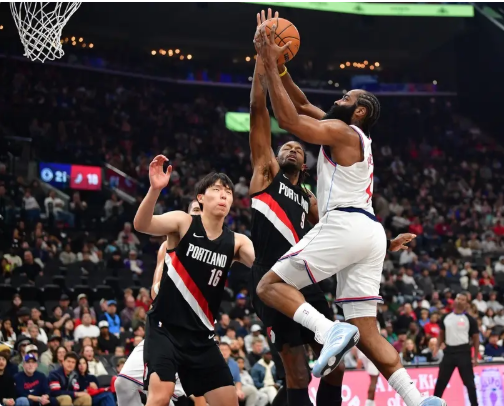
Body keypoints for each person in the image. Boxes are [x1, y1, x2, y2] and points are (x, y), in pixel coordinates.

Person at [253, 18, 431, 406]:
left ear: (360, 111)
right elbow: (302, 104)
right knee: (366, 331)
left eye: (347, 97)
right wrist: (279, 68)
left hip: (346, 224)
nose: (339, 98)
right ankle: (418, 400)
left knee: (267, 287)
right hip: (369, 233)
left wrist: (265, 59)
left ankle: (326, 330)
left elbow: (289, 119)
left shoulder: (344, 133)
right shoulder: (351, 136)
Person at [248, 10, 343, 405]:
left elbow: (334, 231)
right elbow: (259, 112)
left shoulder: (309, 197)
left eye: (297, 147)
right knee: (297, 372)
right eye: (285, 145)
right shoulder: (265, 172)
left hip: (302, 278)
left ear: (304, 165)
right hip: (270, 281)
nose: (290, 146)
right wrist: (262, 58)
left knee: (336, 363)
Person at [134, 166, 255, 406]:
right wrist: (155, 190)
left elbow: (265, 266)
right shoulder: (183, 222)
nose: (223, 195)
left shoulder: (237, 242)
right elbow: (142, 224)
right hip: (165, 329)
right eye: (217, 190)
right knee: (160, 396)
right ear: (201, 197)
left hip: (201, 337)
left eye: (228, 192)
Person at [115, 200, 203, 406]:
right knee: (124, 384)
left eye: (202, 210)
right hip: (162, 330)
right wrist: (165, 287)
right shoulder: (168, 245)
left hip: (194, 336)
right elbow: (155, 290)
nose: (198, 215)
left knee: (193, 398)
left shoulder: (219, 248)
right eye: (195, 210)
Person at [432, 294, 479, 406]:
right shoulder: (446, 317)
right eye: (458, 299)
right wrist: (437, 346)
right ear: (454, 301)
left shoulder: (470, 320)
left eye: (463, 300)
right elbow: (441, 334)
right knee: (441, 382)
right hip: (449, 352)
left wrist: (475, 356)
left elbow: (476, 338)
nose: (460, 301)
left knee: (470, 384)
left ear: (466, 304)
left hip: (464, 352)